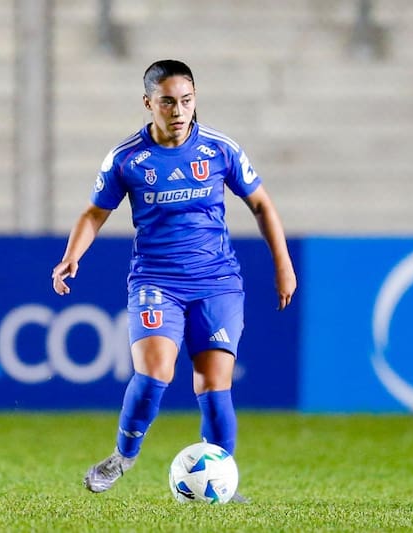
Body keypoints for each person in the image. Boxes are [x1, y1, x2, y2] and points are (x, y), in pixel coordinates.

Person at [51, 59, 297, 500]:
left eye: (186, 100)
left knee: (213, 383)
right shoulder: (127, 158)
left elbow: (261, 204)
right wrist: (72, 255)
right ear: (148, 103)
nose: (178, 111)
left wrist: (283, 263)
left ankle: (222, 479)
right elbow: (94, 212)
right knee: (154, 373)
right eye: (167, 102)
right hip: (155, 281)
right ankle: (123, 456)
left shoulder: (220, 149)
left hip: (217, 282)